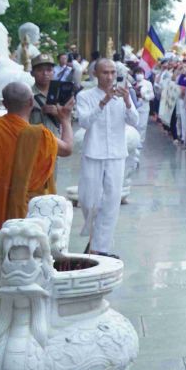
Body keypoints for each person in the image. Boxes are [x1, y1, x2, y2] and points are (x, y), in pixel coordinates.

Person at [0, 82, 72, 255]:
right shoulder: (40, 135)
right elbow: (67, 149)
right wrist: (65, 120)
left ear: (5, 104)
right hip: (27, 212)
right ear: (30, 102)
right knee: (26, 256)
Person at [73, 58, 143, 257]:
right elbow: (85, 122)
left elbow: (135, 121)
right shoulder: (85, 96)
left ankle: (99, 248)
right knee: (87, 199)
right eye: (105, 72)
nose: (110, 77)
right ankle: (95, 239)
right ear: (95, 74)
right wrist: (103, 102)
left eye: (113, 72)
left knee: (112, 201)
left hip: (116, 154)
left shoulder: (123, 96)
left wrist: (128, 101)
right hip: (93, 152)